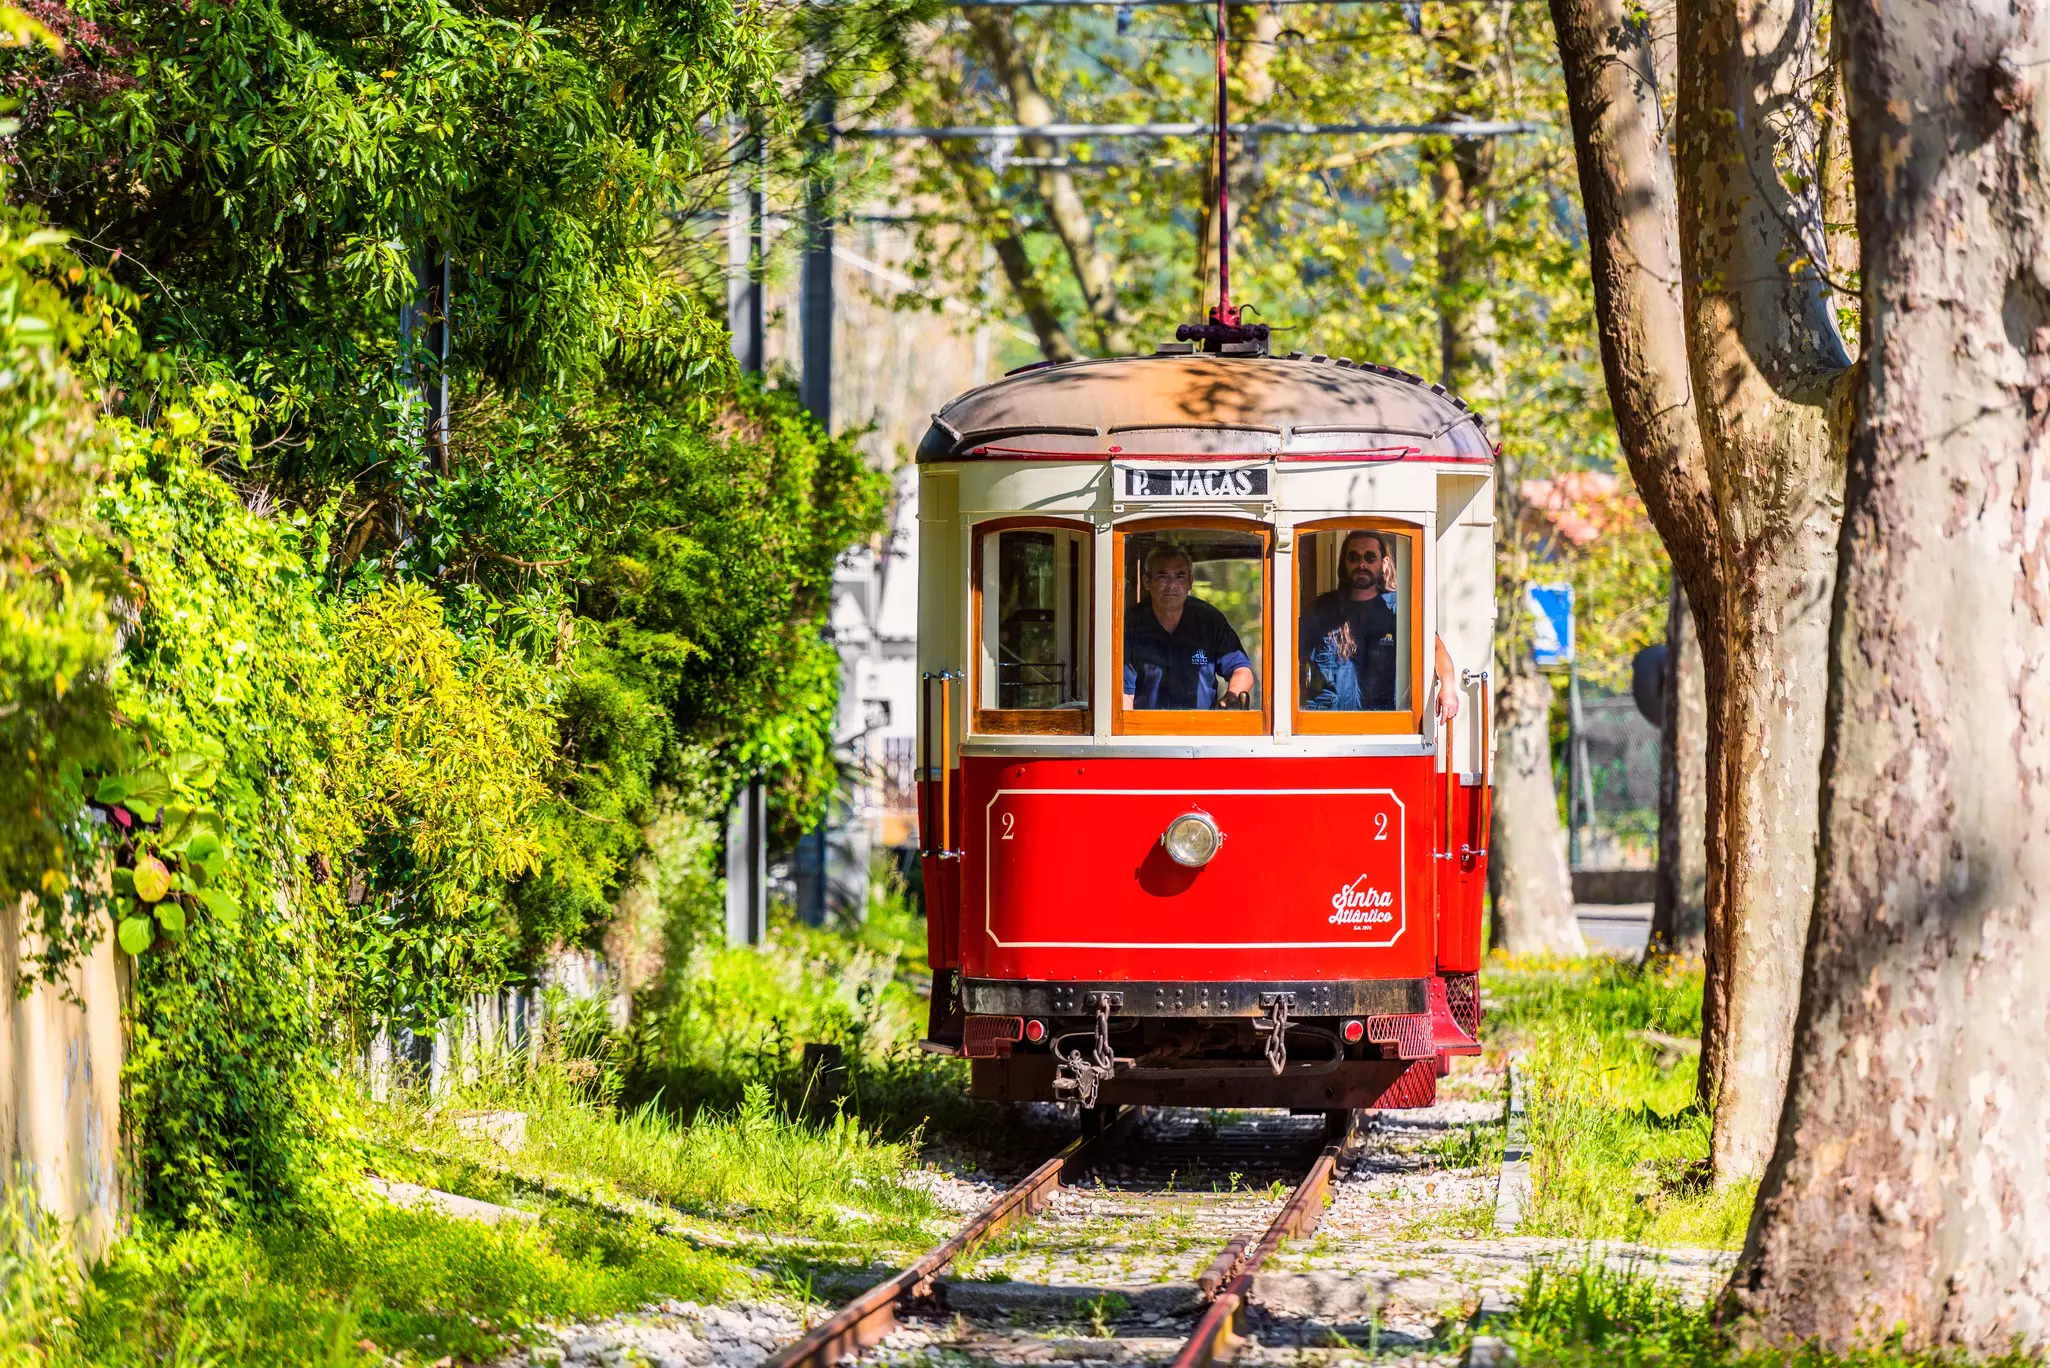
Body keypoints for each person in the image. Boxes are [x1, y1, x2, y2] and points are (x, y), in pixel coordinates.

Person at [1301, 529, 1461, 722]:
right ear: (1344, 562)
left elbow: (1435, 647)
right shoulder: (1322, 609)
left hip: (1385, 726)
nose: (1362, 564)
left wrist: (1449, 685)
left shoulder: (1399, 610)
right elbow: (1291, 659)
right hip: (1325, 726)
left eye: (1370, 557)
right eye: (1354, 557)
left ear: (1384, 563)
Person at [1123, 544, 1256, 709]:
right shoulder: (1130, 624)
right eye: (1163, 576)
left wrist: (1232, 696)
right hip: (1147, 730)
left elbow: (1242, 670)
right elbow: (1124, 695)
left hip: (1201, 730)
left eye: (1180, 576)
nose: (1172, 585)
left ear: (1190, 582)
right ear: (1147, 582)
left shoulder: (1209, 619)